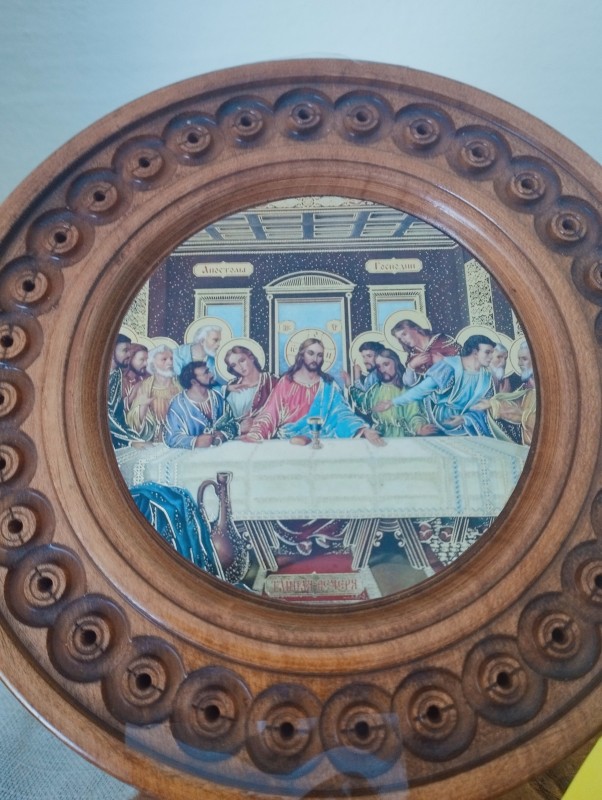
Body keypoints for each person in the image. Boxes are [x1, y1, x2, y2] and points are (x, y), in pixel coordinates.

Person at [241, 338, 384, 446]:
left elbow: (342, 414)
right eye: (311, 353)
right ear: (302, 355)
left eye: (319, 355)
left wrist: (362, 430)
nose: (315, 359)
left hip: (323, 438)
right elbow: (271, 413)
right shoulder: (286, 382)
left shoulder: (328, 385)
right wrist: (256, 434)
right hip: (290, 439)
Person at [374, 334, 501, 437]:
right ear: (474, 352)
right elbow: (422, 389)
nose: (491, 357)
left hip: (468, 426)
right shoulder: (449, 366)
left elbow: (484, 407)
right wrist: (393, 402)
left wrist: (464, 419)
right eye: (488, 352)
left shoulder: (487, 377)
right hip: (440, 423)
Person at [350, 348, 435, 437]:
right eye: (379, 366)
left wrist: (419, 428)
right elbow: (363, 402)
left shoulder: (406, 390)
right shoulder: (375, 389)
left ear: (396, 363)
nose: (382, 370)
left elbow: (414, 414)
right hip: (380, 437)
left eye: (386, 364)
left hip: (402, 438)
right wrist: (353, 384)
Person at [474, 341, 536, 445]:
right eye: (499, 357)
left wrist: (495, 403)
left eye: (524, 359)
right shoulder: (481, 379)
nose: (503, 363)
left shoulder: (512, 384)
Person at [165, 360, 238, 449]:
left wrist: (223, 434)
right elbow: (171, 438)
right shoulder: (178, 405)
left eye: (209, 371)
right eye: (206, 373)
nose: (211, 375)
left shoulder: (217, 397)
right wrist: (196, 442)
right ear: (194, 382)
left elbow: (231, 423)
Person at [126, 345, 180, 443]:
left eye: (171, 359)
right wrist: (143, 407)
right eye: (164, 359)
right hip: (154, 442)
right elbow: (133, 424)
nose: (170, 362)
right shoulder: (144, 387)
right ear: (153, 363)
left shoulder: (180, 387)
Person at [223, 345, 278, 434]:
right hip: (237, 436)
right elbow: (224, 419)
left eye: (242, 361)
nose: (240, 367)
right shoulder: (231, 387)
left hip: (267, 435)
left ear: (251, 358)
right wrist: (239, 427)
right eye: (234, 365)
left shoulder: (272, 382)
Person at [390, 319, 459, 388]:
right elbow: (409, 383)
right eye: (400, 339)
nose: (403, 340)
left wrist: (445, 361)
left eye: (404, 334)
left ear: (415, 329)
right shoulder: (413, 357)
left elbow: (462, 361)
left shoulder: (441, 340)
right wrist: (412, 366)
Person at [108, 333, 145, 449]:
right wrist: (130, 441)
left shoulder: (117, 373)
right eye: (125, 350)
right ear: (111, 351)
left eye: (130, 350)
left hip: (115, 435)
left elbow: (118, 414)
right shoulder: (97, 376)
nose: (129, 354)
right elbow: (103, 416)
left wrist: (135, 438)